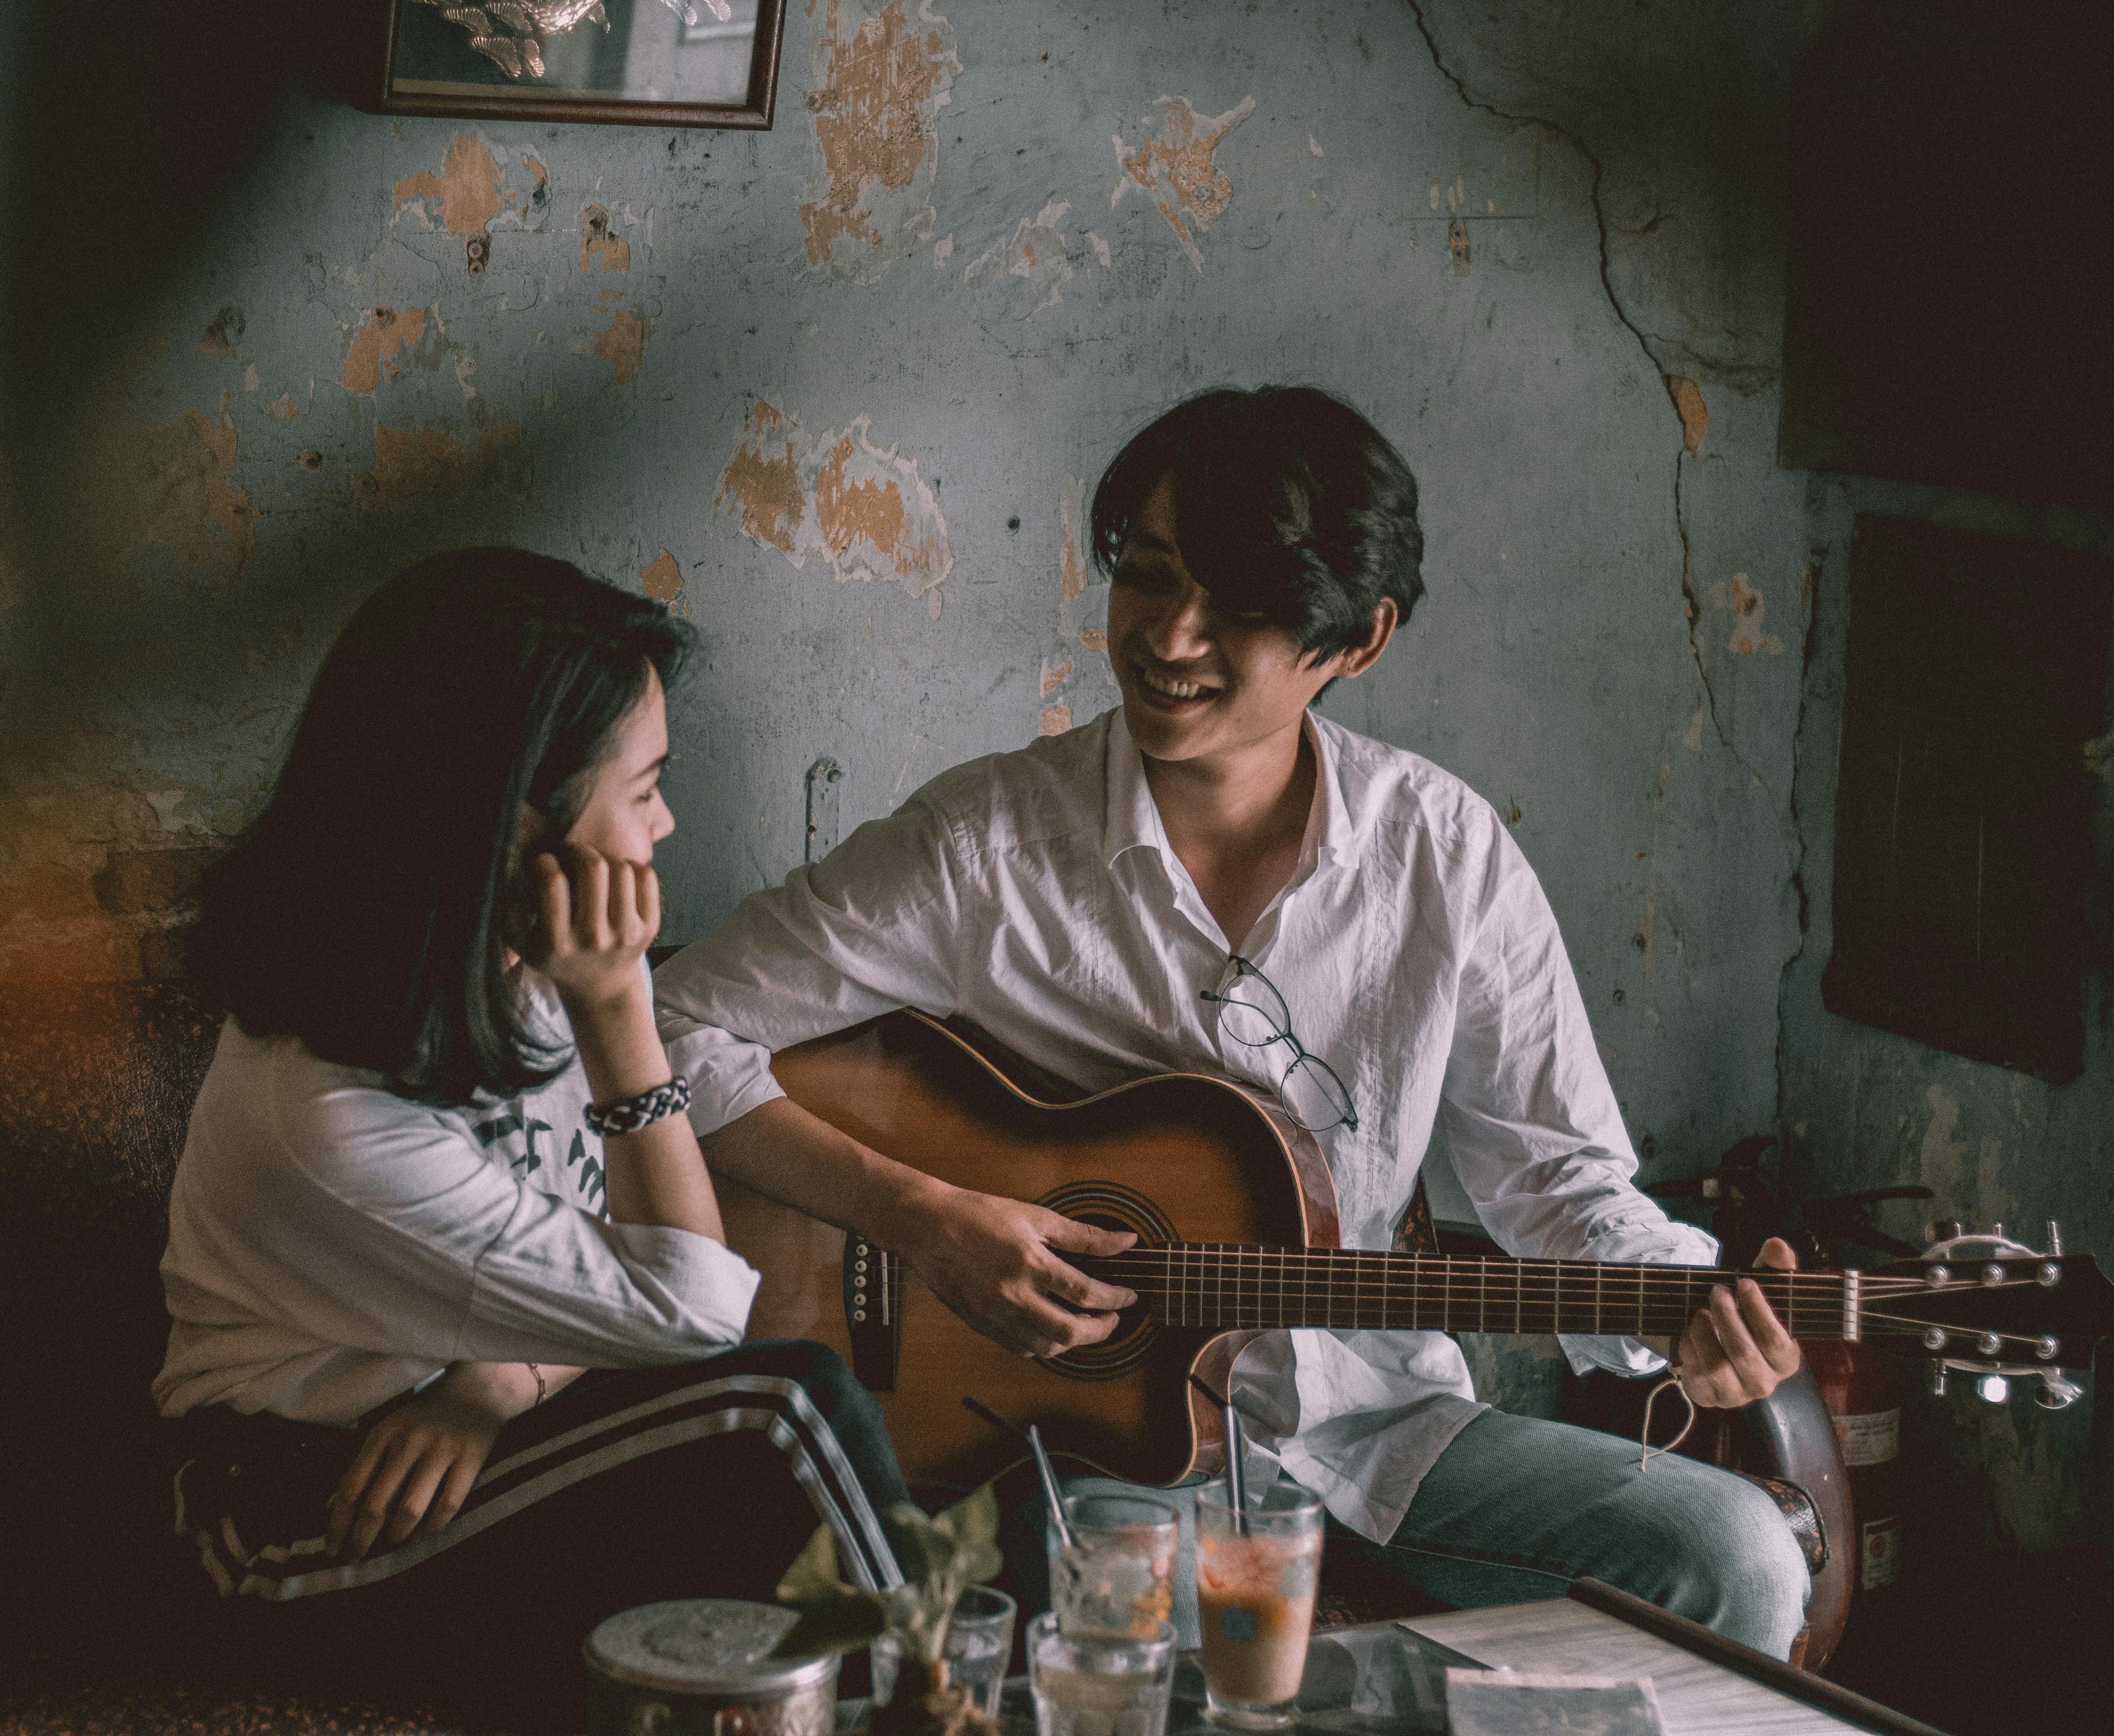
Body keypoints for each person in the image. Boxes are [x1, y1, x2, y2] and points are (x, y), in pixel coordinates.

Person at [654, 388, 1813, 1657]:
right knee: (1154, 1651)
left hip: (1386, 1437)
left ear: (1356, 642)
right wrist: (926, 1221)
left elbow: (1558, 1184)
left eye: (1244, 611)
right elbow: (673, 1028)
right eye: (1148, 578)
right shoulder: (986, 850)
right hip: (1092, 1457)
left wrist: (1678, 1308)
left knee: (1734, 1556)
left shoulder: (1445, 855)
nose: (1171, 638)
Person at [154, 549, 907, 1725]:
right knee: (782, 1411)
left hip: (493, 1432)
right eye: (645, 783)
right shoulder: (322, 1120)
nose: (668, 821)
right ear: (514, 814)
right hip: (307, 1514)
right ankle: (962, 1710)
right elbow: (698, 1314)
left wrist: (500, 1378)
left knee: (997, 1507)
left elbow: (644, 1274)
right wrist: (619, 1010)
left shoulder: (513, 958)